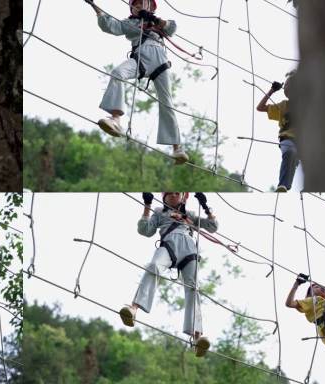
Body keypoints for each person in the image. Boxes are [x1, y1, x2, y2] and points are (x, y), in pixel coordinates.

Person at [85, 0, 188, 164]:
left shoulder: (158, 23)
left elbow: (172, 27)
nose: (138, 6)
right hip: (141, 57)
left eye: (142, 3)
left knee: (166, 101)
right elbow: (110, 25)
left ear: (151, 7)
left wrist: (153, 19)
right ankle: (115, 119)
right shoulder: (130, 23)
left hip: (160, 60)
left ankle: (177, 148)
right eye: (135, 4)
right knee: (118, 73)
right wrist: (94, 6)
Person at [120, 192, 218, 357]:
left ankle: (197, 337)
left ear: (182, 197)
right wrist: (147, 205)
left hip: (189, 248)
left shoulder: (190, 215)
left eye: (176, 193)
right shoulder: (160, 213)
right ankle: (134, 309)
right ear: (164, 198)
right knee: (153, 267)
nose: (173, 195)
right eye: (169, 193)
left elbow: (212, 226)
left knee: (193, 288)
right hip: (169, 244)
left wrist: (206, 207)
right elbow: (145, 230)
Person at [256, 71, 298, 192]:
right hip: (287, 139)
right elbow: (260, 107)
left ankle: (287, 185)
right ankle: (283, 185)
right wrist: (272, 91)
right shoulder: (283, 106)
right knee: (290, 151)